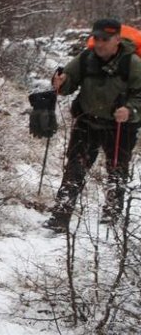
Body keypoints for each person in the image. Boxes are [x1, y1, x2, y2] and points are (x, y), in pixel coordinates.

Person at [43, 18, 141, 233]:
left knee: (116, 170)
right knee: (75, 168)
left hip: (120, 127)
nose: (99, 43)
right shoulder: (86, 58)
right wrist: (60, 82)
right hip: (87, 121)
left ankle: (112, 213)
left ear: (117, 39)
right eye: (96, 38)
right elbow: (68, 82)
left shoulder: (132, 63)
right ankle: (61, 215)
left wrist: (131, 110)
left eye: (105, 39)